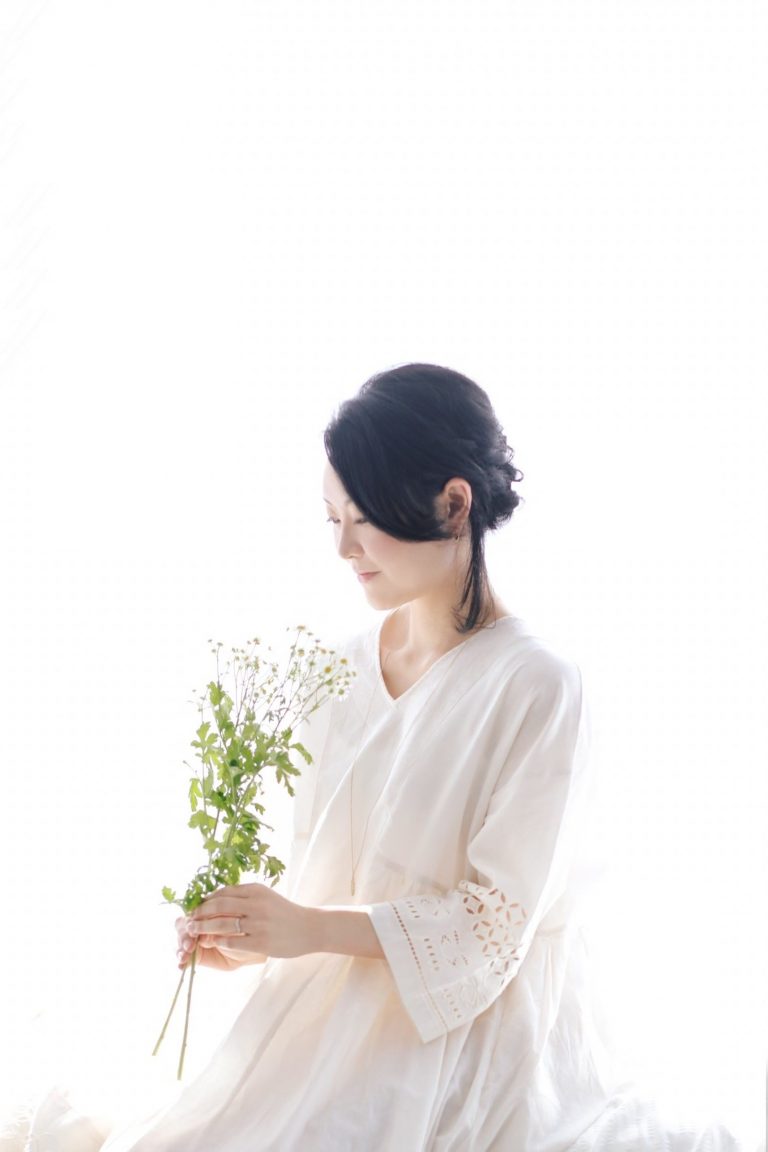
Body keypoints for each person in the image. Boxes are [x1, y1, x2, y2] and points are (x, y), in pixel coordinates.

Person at [9, 364, 749, 1151]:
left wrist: (306, 929)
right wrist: (257, 939)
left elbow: (495, 926)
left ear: (455, 504)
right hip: (328, 998)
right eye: (331, 518)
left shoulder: (539, 686)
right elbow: (330, 877)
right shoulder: (339, 669)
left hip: (465, 1025)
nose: (342, 547)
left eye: (363, 520)